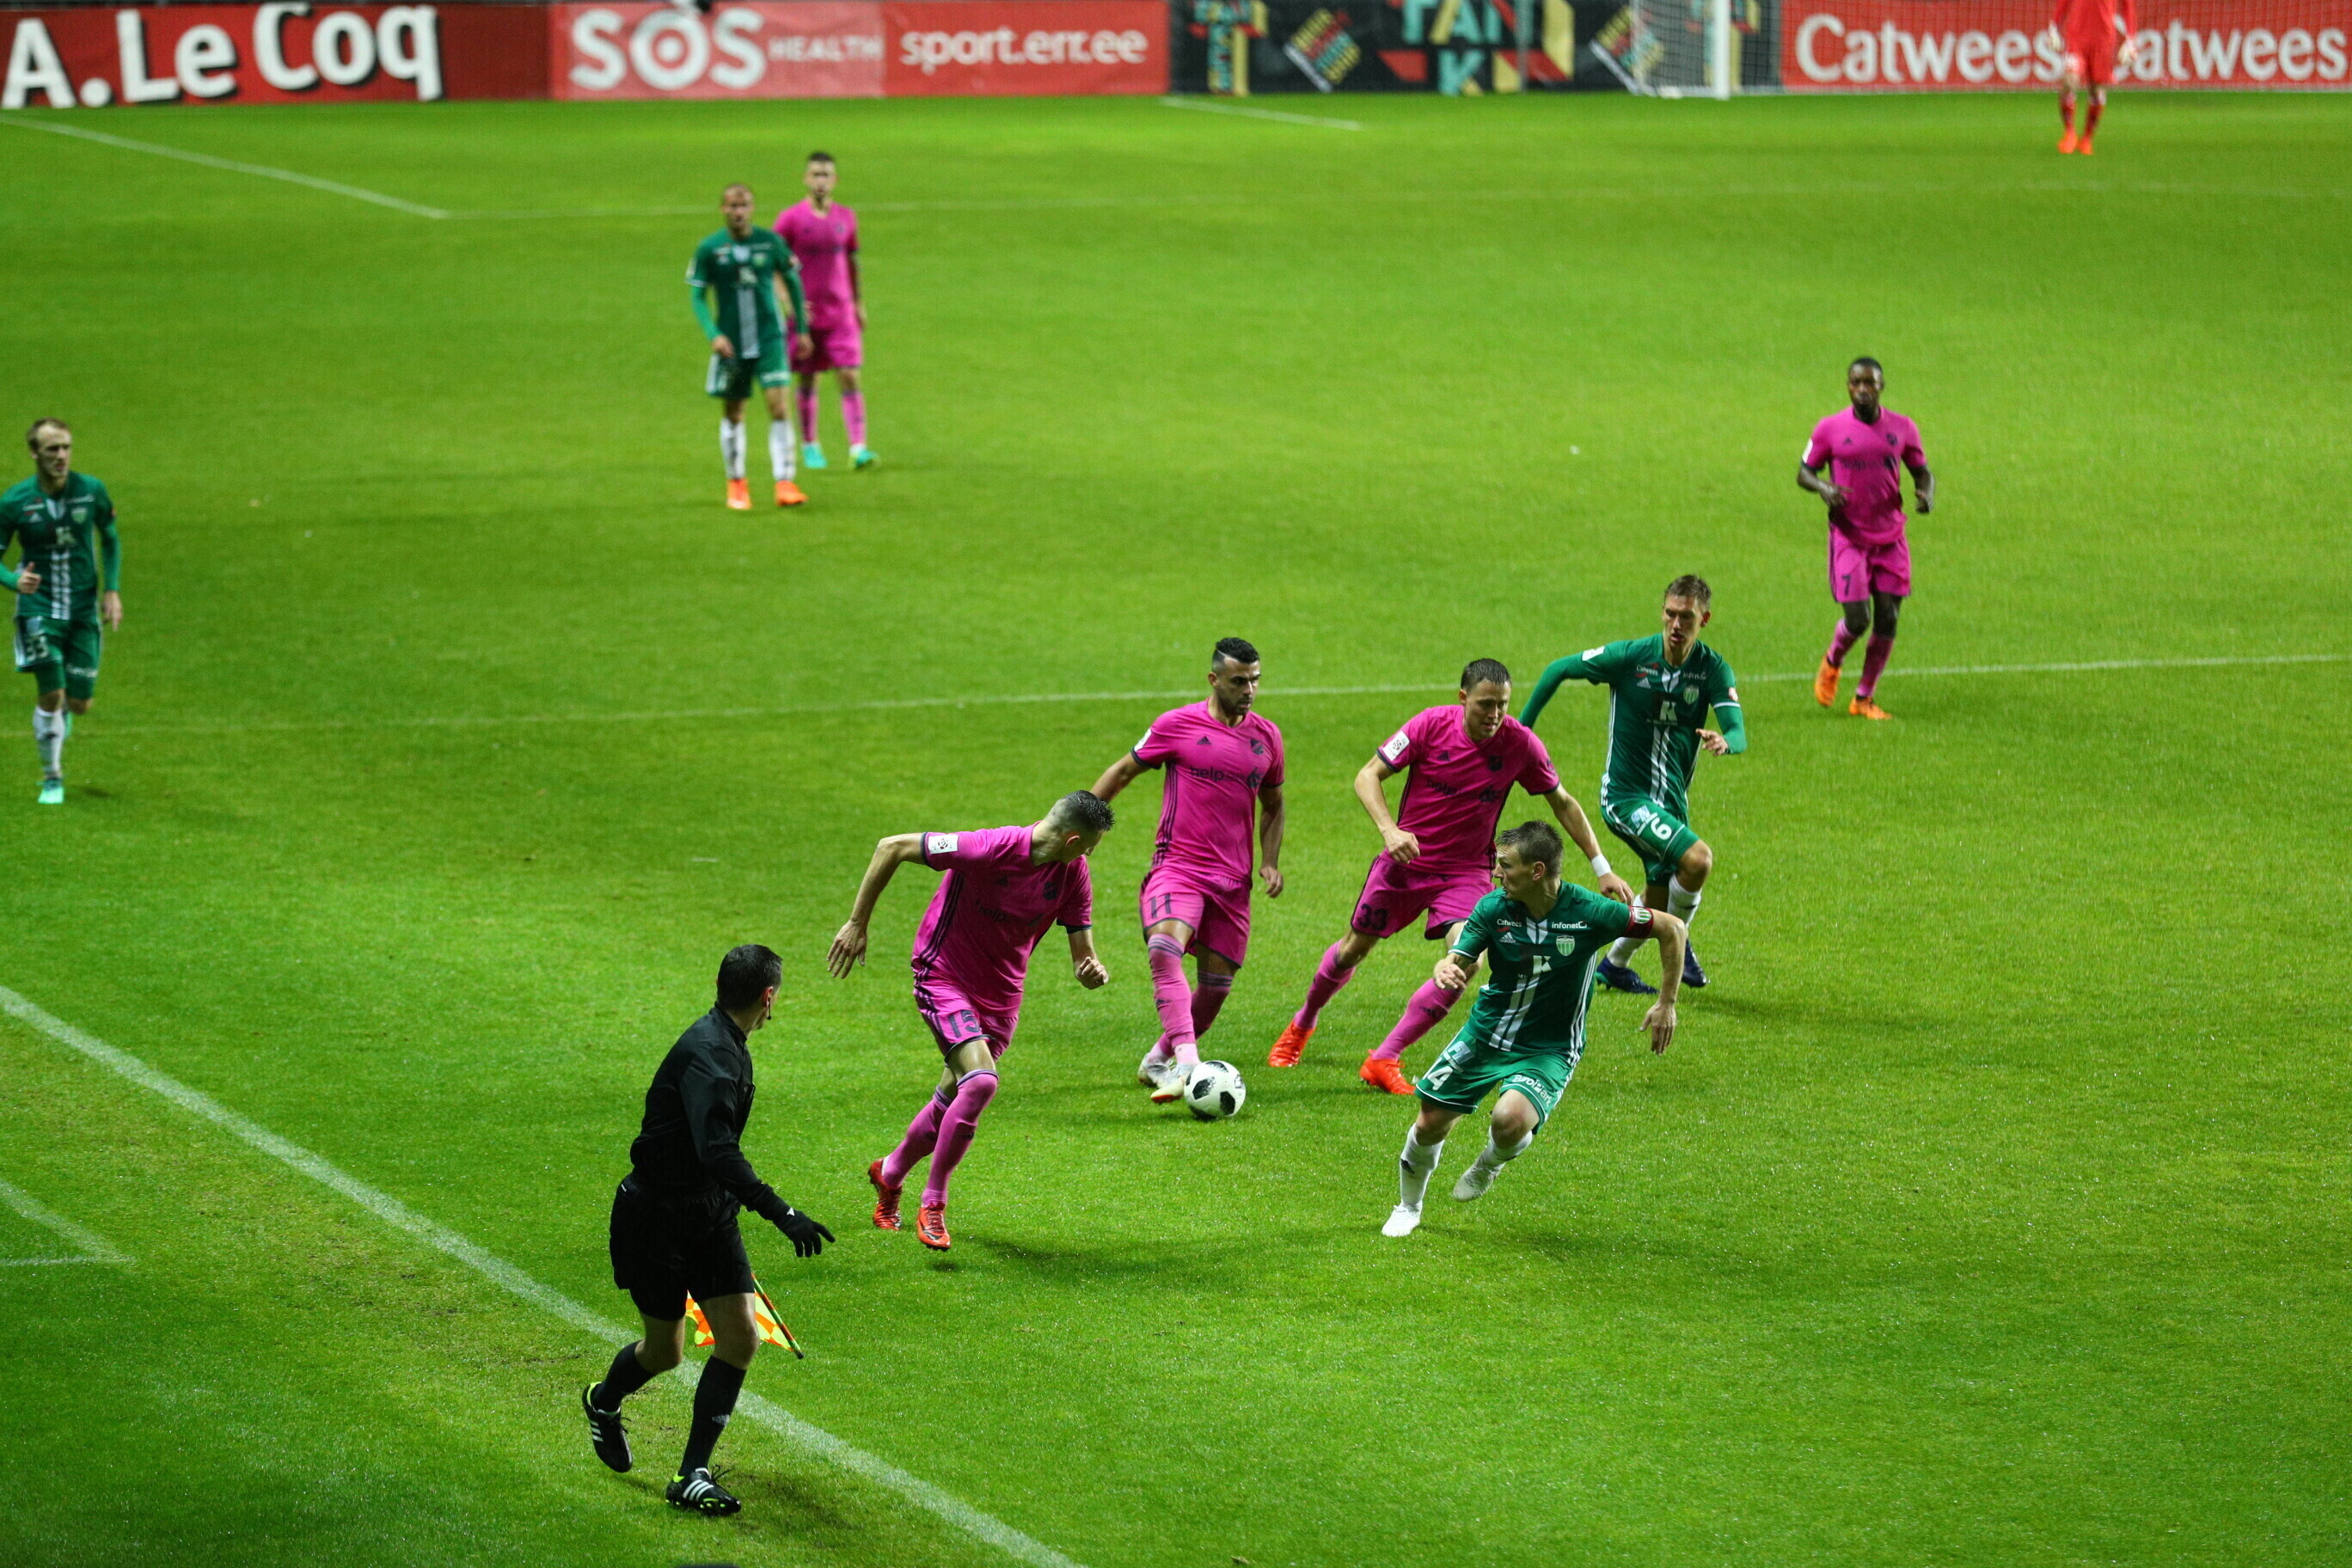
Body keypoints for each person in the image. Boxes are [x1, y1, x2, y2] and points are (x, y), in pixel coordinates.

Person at [1266, 659, 1634, 1095]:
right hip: (1406, 863)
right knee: (1353, 950)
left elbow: (1563, 803)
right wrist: (1390, 831)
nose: (1494, 715)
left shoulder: (1520, 743)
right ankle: (1303, 1023)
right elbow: (1368, 776)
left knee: (1467, 960)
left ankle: (1384, 1057)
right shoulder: (1429, 726)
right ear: (1463, 699)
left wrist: (1602, 868)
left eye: (1502, 705)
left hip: (1466, 872)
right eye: (1485, 705)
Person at [583, 945, 834, 1516]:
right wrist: (781, 1212)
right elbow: (716, 1150)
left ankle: (691, 1473)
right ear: (768, 997)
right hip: (655, 1219)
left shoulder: (727, 1042)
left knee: (741, 1338)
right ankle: (603, 1401)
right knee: (665, 1351)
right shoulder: (713, 1058)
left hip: (709, 1213)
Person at [830, 791, 1114, 1250]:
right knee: (980, 1083)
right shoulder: (987, 848)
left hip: (1001, 997)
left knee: (952, 1098)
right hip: (944, 977)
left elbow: (1083, 953)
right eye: (1091, 846)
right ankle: (934, 1203)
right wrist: (857, 923)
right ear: (1072, 839)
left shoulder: (1072, 873)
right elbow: (891, 846)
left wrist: (1090, 970)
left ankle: (890, 1172)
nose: (1090, 855)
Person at [1381, 822, 1685, 1238]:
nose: (1496, 873)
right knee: (1429, 1123)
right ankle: (1408, 1207)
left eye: (1506, 865)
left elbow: (1673, 928)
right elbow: (1461, 955)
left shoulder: (1591, 911)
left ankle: (1490, 1162)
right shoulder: (1493, 909)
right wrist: (1446, 966)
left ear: (1537, 871)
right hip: (1487, 1034)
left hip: (1550, 1046)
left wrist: (1667, 1003)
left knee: (1509, 1121)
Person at [1518, 576, 1744, 995]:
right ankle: (1679, 943)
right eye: (1670, 614)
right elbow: (1557, 670)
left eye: (1687, 617)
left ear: (1705, 619)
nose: (1676, 624)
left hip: (1671, 800)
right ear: (1662, 612)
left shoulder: (1712, 669)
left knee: (1657, 893)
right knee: (1698, 861)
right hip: (1625, 797)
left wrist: (1726, 740)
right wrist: (1522, 732)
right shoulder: (1630, 658)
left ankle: (1614, 965)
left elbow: (1738, 730)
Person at [1090, 639, 1284, 1103]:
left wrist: (1270, 860)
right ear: (1214, 680)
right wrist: (1084, 826)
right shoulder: (1176, 725)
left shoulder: (1268, 738)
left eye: (1255, 680)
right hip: (1179, 867)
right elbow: (1122, 772)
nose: (1249, 690)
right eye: (1239, 681)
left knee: (1215, 989)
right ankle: (1190, 1067)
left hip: (1233, 882)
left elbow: (1274, 805)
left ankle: (1158, 1060)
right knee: (1164, 948)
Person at [1799, 358, 1932, 720]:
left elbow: (1922, 472)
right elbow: (1804, 472)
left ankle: (1863, 698)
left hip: (1890, 538)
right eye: (1856, 382)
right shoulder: (1830, 428)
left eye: (1869, 383)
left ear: (1881, 386)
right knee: (1858, 619)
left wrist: (1927, 493)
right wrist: (1823, 487)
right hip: (1849, 537)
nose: (1862, 389)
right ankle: (1833, 661)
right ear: (1848, 386)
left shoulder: (1903, 428)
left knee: (1888, 619)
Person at [3, 419, 121, 806]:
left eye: (66, 447)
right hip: (39, 608)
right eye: (52, 449)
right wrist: (13, 581)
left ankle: (65, 713)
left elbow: (110, 539)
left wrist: (112, 590)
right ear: (34, 453)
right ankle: (52, 778)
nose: (61, 456)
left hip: (83, 609)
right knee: (51, 693)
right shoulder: (15, 501)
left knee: (80, 704)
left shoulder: (91, 491)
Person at [689, 183, 812, 511]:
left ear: (752, 208)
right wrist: (713, 334)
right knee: (734, 413)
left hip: (770, 339)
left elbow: (794, 282)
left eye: (744, 205)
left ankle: (785, 482)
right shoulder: (710, 248)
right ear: (723, 209)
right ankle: (737, 483)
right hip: (731, 345)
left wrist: (801, 328)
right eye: (732, 206)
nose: (738, 212)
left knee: (780, 408)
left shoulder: (770, 243)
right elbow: (697, 296)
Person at [775, 152, 874, 472]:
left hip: (841, 312)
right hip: (807, 316)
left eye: (826, 175)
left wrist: (858, 303)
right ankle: (810, 443)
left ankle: (858, 447)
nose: (821, 180)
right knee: (808, 377)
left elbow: (852, 263)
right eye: (816, 174)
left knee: (850, 374)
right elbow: (774, 265)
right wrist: (788, 302)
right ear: (806, 179)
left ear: (835, 180)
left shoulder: (847, 217)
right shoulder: (790, 219)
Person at [2047, 0, 2139, 154]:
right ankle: (2070, 133)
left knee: (2096, 90)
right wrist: (2054, 26)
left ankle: (2087, 139)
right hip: (2076, 37)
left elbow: (2128, 7)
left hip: (2103, 40)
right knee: (2069, 81)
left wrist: (2131, 40)